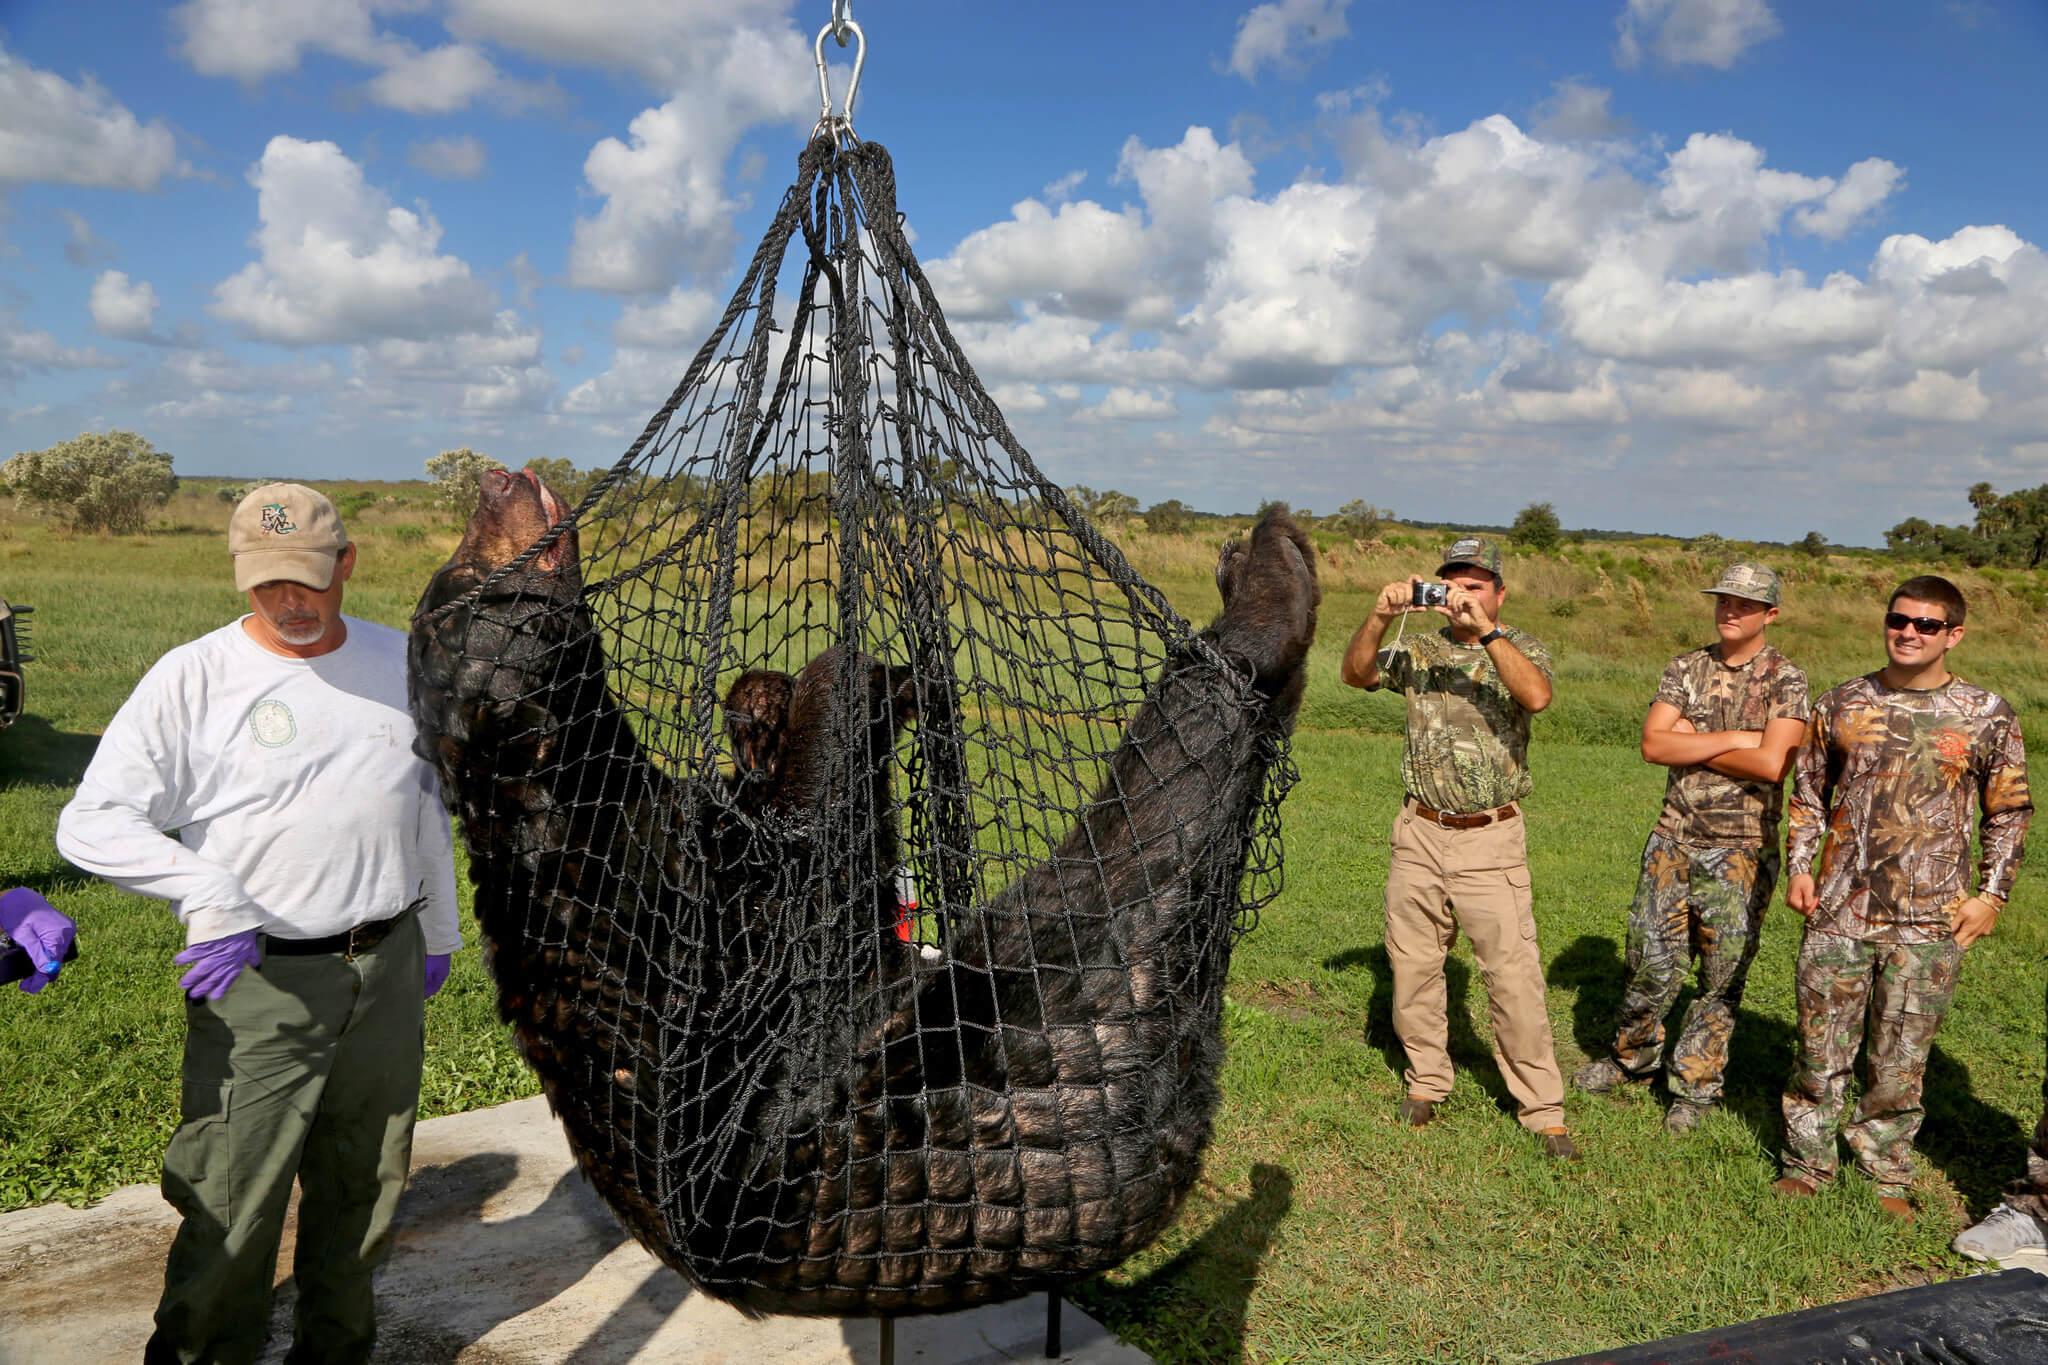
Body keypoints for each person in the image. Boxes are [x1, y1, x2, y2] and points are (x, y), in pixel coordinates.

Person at [55, 482, 462, 1365]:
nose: (291, 601)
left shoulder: (402, 664)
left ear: (347, 563)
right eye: (268, 582)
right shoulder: (193, 678)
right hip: (263, 984)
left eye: (311, 580)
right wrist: (212, 895)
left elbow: (423, 805)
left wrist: (436, 934)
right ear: (241, 575)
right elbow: (90, 822)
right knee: (231, 1209)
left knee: (363, 1193)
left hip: (385, 970)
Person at [1774, 575, 2030, 1220]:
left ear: (1954, 635)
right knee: (1820, 1043)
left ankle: (1886, 1169)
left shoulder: (1986, 715)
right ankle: (1808, 1161)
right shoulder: (1842, 703)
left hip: (1930, 916)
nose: (1910, 633)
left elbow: (2010, 813)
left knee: (1902, 1056)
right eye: (1900, 620)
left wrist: (1991, 896)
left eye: (1927, 624)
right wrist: (1799, 867)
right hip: (1839, 907)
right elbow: (1808, 795)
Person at [1340, 535, 1577, 1159]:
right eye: (1453, 583)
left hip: (1489, 839)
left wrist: (1488, 636)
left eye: (1476, 584)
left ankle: (1542, 1110)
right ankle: (1426, 1082)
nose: (1462, 595)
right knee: (1414, 967)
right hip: (1419, 831)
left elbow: (1538, 697)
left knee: (1513, 978)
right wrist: (1381, 614)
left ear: (1499, 592)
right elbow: (1356, 673)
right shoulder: (1419, 648)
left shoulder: (1520, 647)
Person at [1572, 563, 1808, 1133]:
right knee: (1648, 959)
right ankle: (1632, 1060)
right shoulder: (1686, 667)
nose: (1731, 611)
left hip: (1742, 850)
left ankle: (1696, 1088)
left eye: (1745, 605)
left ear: (1769, 615)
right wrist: (1732, 739)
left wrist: (1692, 744)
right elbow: (1654, 745)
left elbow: (1773, 763)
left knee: (1721, 978)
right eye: (1724, 600)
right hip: (1672, 840)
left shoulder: (1787, 680)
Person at [0, 885, 76, 992]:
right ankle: (47, 970)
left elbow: (32, 944)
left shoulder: (13, 923)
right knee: (52, 957)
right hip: (64, 924)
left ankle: (45, 970)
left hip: (48, 934)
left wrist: (44, 965)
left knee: (43, 960)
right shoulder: (20, 894)